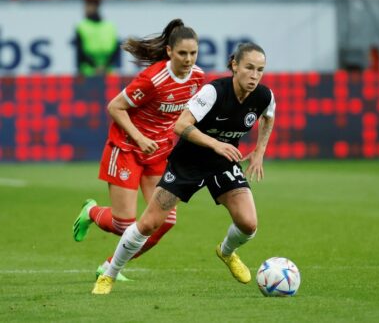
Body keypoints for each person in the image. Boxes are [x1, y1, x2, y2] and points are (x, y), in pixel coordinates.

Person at [91, 42, 276, 295]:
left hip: (222, 163)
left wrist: (260, 152)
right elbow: (180, 126)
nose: (254, 76)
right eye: (249, 68)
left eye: (260, 70)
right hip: (189, 161)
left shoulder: (264, 95)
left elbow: (269, 115)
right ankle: (109, 275)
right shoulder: (213, 92)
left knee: (249, 224)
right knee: (148, 223)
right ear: (234, 66)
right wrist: (215, 144)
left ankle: (226, 252)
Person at [73, 18, 205, 281]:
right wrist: (140, 137)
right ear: (169, 51)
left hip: (158, 154)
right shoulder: (153, 79)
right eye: (182, 53)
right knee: (124, 223)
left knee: (164, 222)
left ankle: (111, 266)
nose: (189, 59)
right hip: (127, 148)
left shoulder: (198, 79)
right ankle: (91, 211)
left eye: (193, 53)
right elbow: (114, 107)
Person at [74, 0, 120, 76]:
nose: (84, 9)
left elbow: (80, 53)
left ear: (94, 6)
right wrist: (104, 67)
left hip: (88, 73)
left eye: (87, 6)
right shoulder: (110, 26)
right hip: (107, 72)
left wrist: (96, 67)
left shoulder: (82, 26)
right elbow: (116, 51)